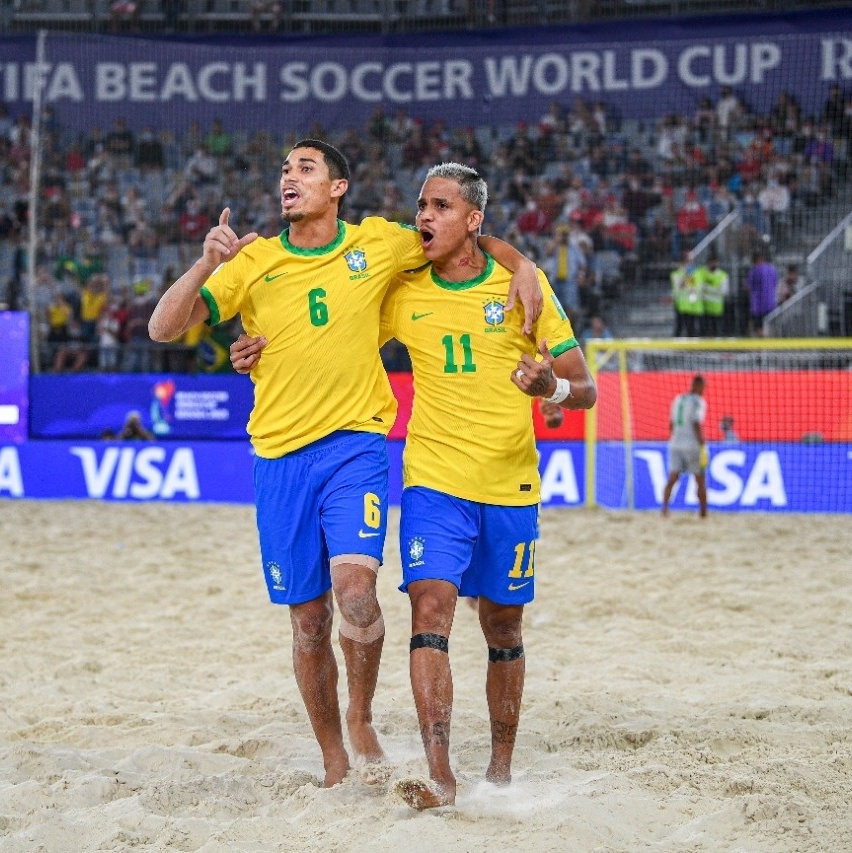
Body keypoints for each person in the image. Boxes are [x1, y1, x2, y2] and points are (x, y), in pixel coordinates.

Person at [148, 139, 543, 789]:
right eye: (283, 169)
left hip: (355, 445)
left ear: (338, 188)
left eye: (304, 167)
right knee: (307, 622)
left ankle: (361, 716)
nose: (288, 177)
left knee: (356, 592)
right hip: (277, 456)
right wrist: (202, 264)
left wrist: (518, 260)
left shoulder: (379, 243)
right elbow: (165, 327)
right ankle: (335, 757)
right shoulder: (255, 260)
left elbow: (457, 235)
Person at [661, 375, 708, 518]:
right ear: (699, 386)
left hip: (675, 442)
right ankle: (703, 513)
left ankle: (664, 509)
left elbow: (671, 424)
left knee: (672, 478)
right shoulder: (698, 402)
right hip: (691, 444)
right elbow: (696, 423)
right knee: (699, 479)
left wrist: (675, 438)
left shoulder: (678, 399)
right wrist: (702, 445)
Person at [745, 251, 778, 336]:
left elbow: (749, 287)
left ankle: (760, 346)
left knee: (758, 327)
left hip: (758, 306)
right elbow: (775, 283)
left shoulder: (754, 270)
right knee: (771, 326)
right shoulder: (772, 269)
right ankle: (770, 345)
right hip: (771, 303)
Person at [670, 250, 702, 337]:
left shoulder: (695, 273)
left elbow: (695, 289)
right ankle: (676, 348)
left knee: (692, 329)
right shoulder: (676, 274)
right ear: (683, 262)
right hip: (681, 305)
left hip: (692, 305)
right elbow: (679, 288)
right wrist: (687, 275)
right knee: (679, 328)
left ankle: (692, 349)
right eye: (689, 261)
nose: (691, 263)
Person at [697, 254, 730, 337]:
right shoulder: (702, 272)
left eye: (715, 262)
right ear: (708, 263)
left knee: (717, 332)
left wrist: (707, 288)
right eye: (712, 262)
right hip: (704, 308)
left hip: (717, 309)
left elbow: (724, 291)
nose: (714, 264)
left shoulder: (722, 275)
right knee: (705, 332)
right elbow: (698, 286)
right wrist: (715, 289)